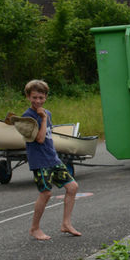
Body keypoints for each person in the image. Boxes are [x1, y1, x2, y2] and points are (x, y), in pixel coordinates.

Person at [20, 79, 81, 241]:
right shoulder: (27, 117)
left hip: (52, 158)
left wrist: (46, 117)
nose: (38, 101)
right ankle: (34, 228)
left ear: (46, 97)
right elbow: (39, 139)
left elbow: (48, 137)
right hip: (40, 161)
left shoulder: (47, 113)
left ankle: (66, 224)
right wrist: (43, 119)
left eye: (41, 97)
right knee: (46, 193)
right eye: (34, 97)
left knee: (73, 187)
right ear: (28, 97)